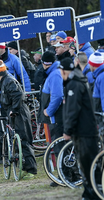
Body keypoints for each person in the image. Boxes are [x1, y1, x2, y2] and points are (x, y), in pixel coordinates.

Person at [59, 57, 100, 200]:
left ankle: (92, 193)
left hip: (83, 130)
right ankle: (91, 191)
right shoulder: (80, 79)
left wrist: (67, 130)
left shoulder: (74, 84)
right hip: (86, 129)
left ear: (63, 71)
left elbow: (72, 109)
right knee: (89, 162)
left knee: (87, 163)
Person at [0, 59, 37, 180]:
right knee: (17, 142)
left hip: (19, 114)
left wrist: (15, 110)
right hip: (14, 113)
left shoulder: (9, 81)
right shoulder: (6, 81)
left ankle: (31, 170)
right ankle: (24, 168)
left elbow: (18, 96)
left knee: (24, 141)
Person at [38, 51, 64, 186]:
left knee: (60, 146)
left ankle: (65, 175)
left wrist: (49, 111)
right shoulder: (54, 72)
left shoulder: (54, 74)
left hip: (57, 118)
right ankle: (64, 174)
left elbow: (57, 96)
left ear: (44, 63)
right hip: (56, 117)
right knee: (59, 145)